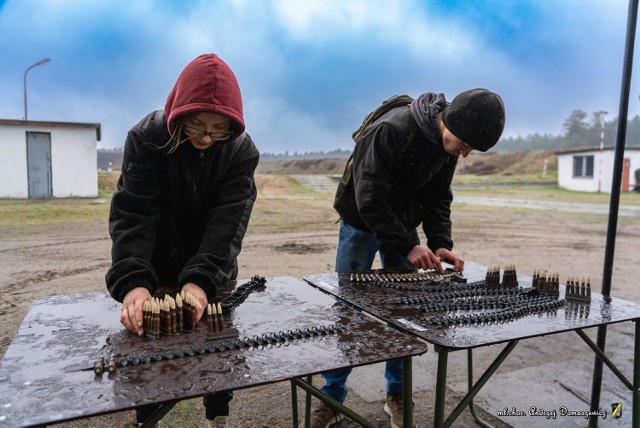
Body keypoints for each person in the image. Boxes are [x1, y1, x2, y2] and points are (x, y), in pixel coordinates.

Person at [306, 88, 505, 428]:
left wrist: (440, 242)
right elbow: (368, 198)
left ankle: (396, 394)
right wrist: (409, 244)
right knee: (348, 308)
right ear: (450, 121)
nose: (466, 154)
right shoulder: (391, 130)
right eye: (466, 144)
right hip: (361, 222)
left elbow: (438, 197)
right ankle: (332, 397)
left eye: (471, 148)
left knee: (404, 311)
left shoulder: (449, 145)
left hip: (404, 227)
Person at [106, 53, 259, 428]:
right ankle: (148, 418)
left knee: (217, 343)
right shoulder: (146, 139)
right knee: (150, 352)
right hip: (155, 267)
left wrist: (202, 279)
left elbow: (228, 222)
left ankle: (217, 417)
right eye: (198, 125)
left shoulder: (241, 151)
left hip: (214, 266)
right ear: (179, 113)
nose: (208, 137)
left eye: (219, 128)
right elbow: (134, 214)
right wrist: (134, 284)